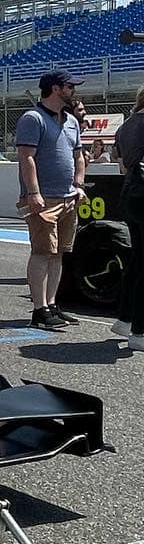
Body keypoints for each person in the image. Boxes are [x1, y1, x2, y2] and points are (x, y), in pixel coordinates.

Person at [17, 71, 87, 331]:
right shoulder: (33, 118)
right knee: (42, 251)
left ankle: (52, 304)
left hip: (68, 196)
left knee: (58, 253)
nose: (73, 91)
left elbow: (78, 156)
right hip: (44, 198)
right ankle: (39, 309)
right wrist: (33, 193)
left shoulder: (71, 121)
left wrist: (78, 185)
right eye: (70, 86)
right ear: (56, 88)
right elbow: (26, 157)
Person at [109, 86, 144, 350]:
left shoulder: (127, 124)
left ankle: (125, 319)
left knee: (138, 259)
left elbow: (119, 162)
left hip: (131, 193)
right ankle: (140, 332)